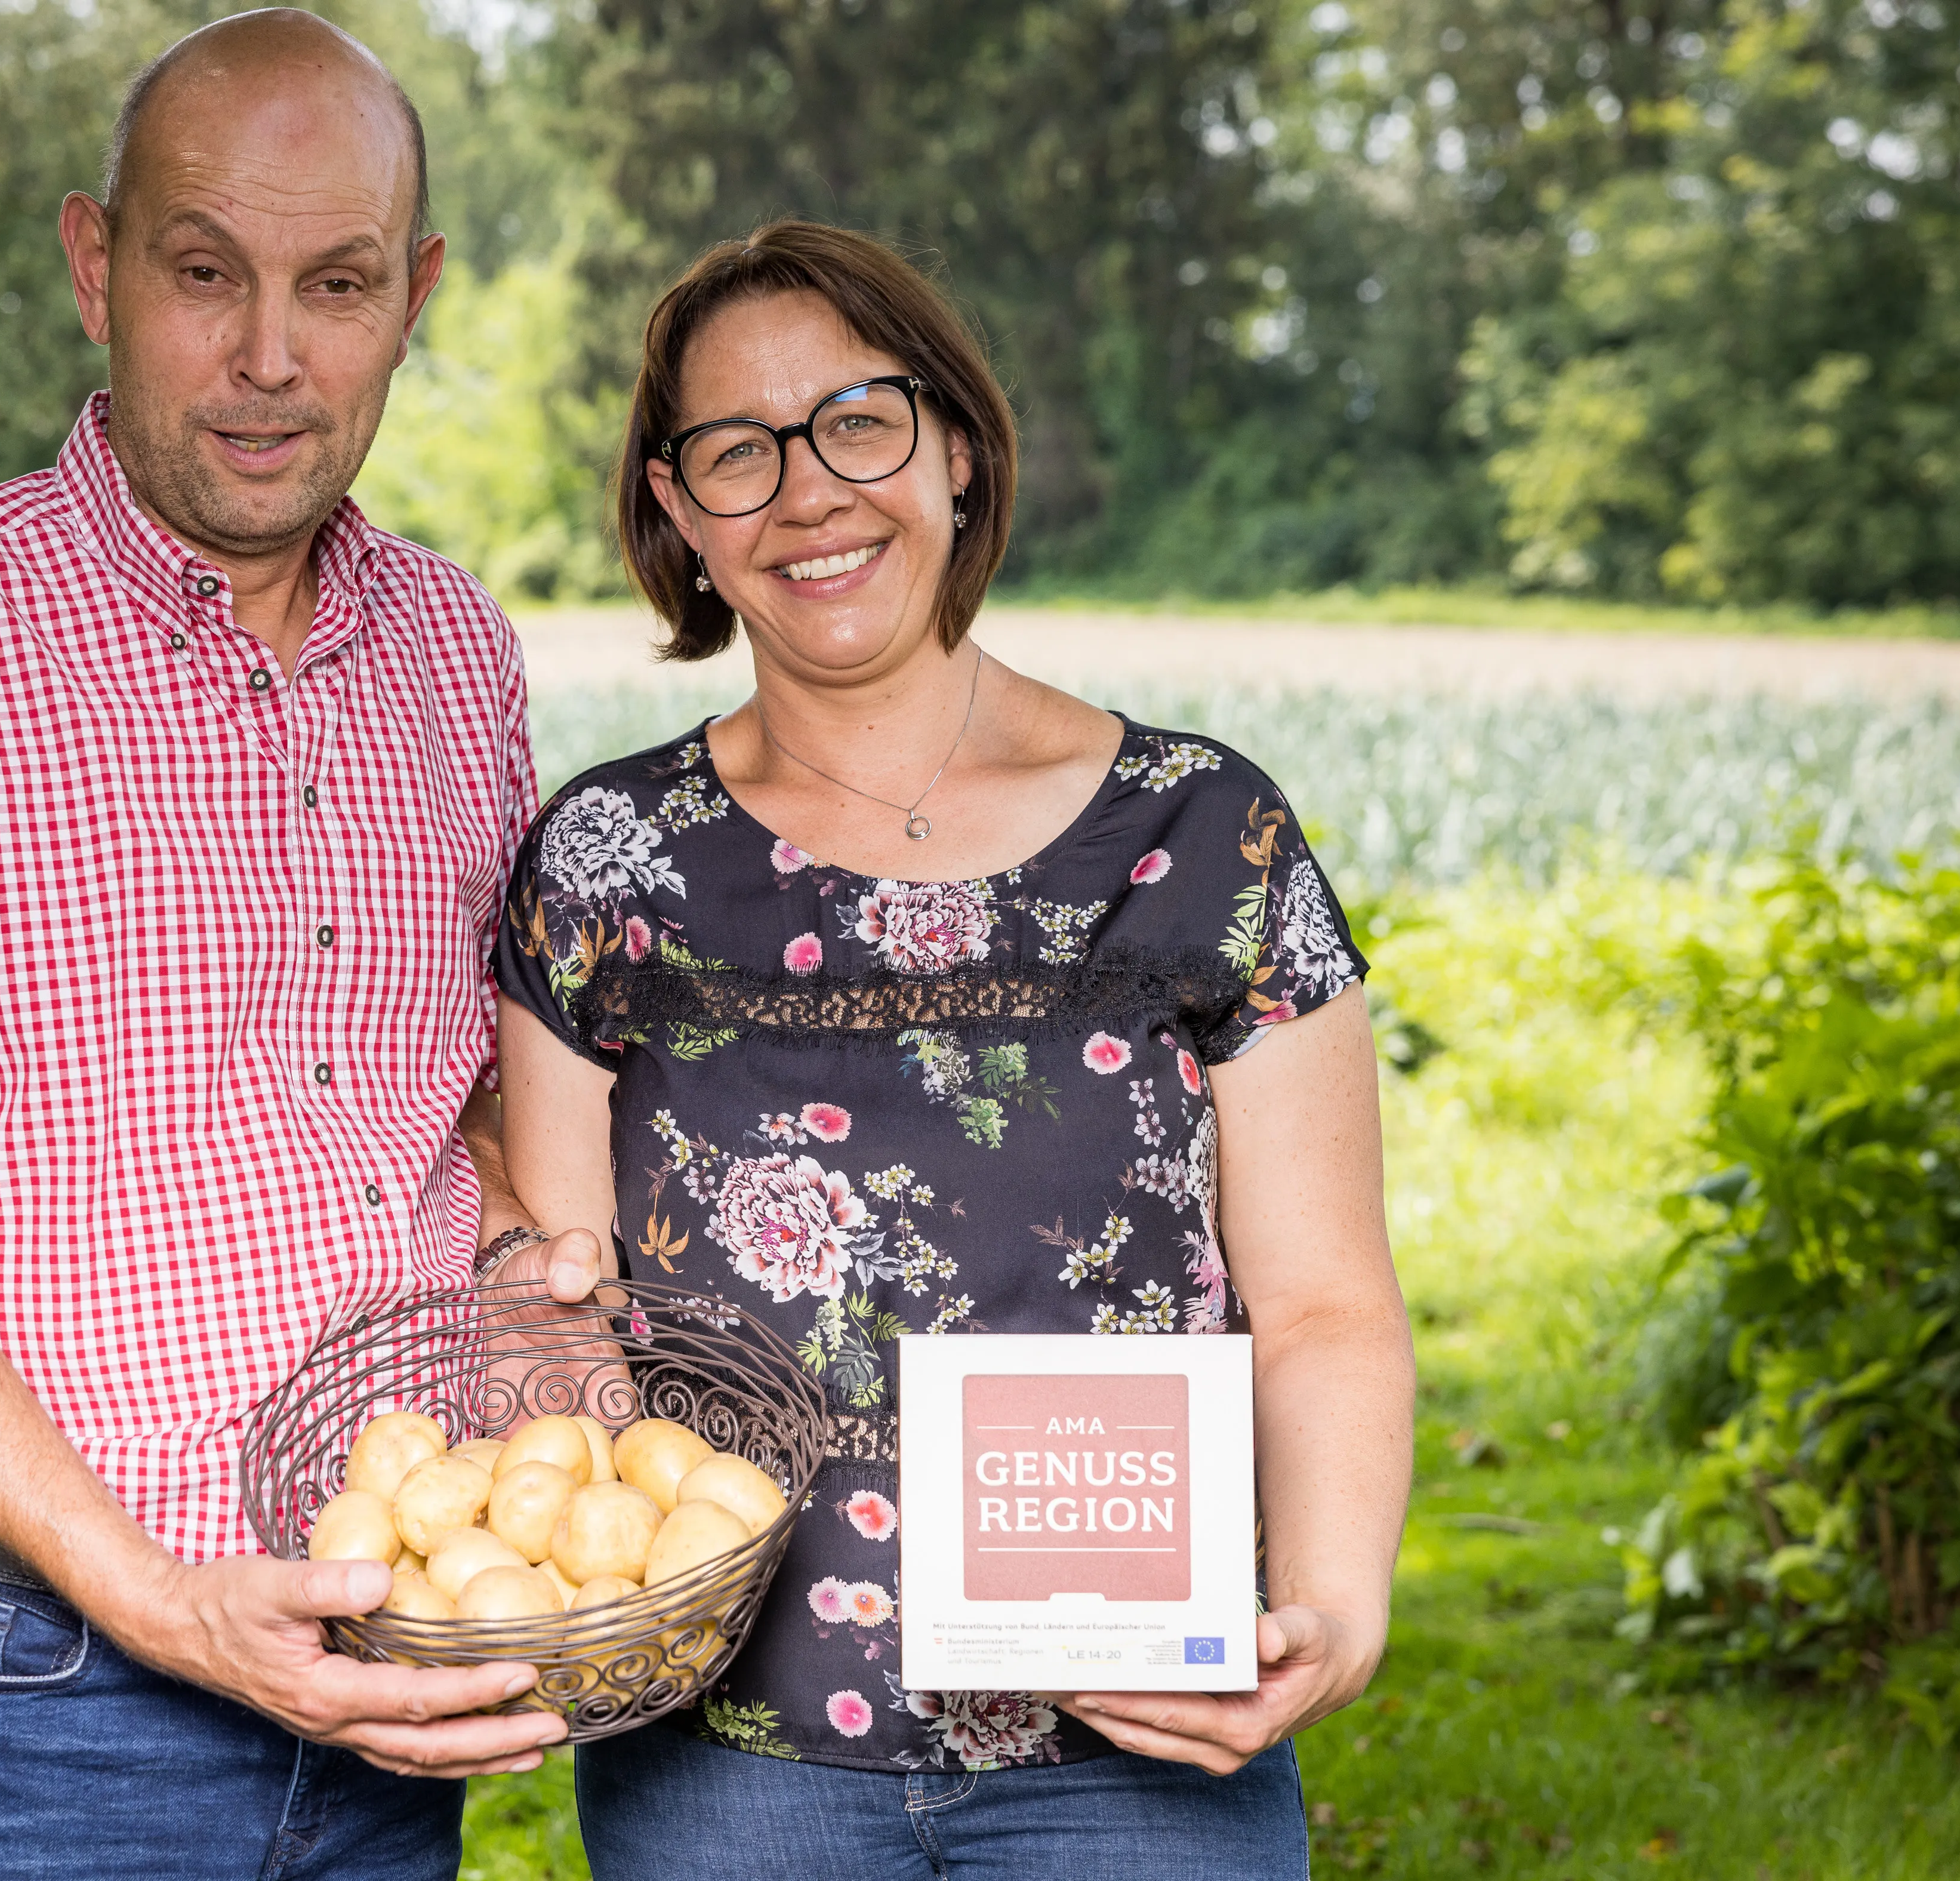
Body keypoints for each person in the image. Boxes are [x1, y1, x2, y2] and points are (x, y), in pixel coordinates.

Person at [0, 13, 580, 1875]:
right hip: (27, 1697)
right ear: (95, 268)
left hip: (383, 1671)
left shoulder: (453, 649)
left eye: (335, 286)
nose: (269, 358)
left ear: (411, 298)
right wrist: (164, 1600)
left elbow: (460, 1114)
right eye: (203, 273)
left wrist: (538, 1318)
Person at [492, 220, 1416, 1875]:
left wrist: (1334, 1608)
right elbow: (566, 1326)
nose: (807, 493)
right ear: (677, 512)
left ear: (959, 449)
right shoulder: (607, 861)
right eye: (738, 451)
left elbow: (1324, 1305)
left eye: (859, 421)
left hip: (1135, 1755)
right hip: (730, 1772)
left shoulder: (1205, 837)